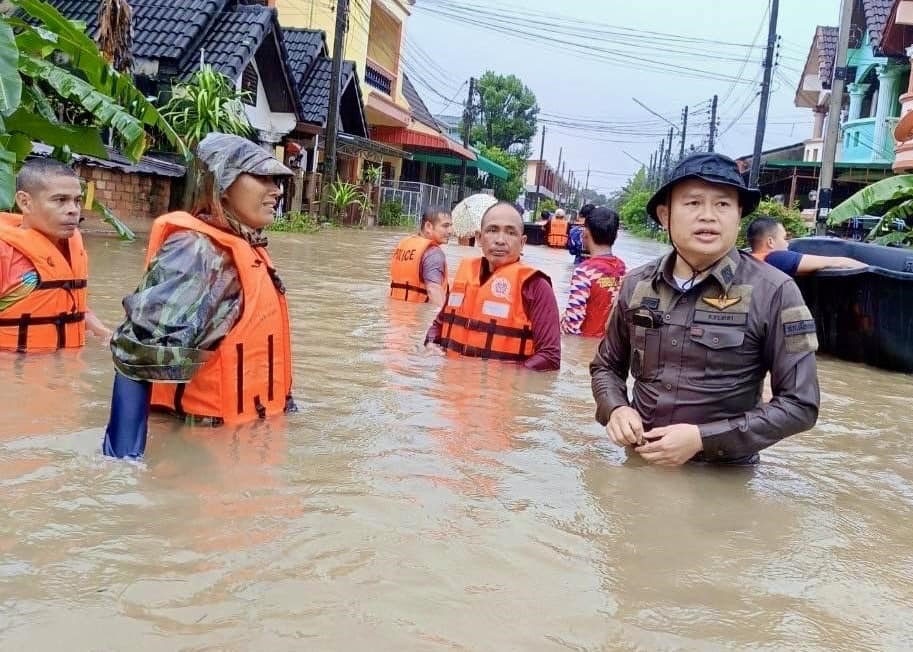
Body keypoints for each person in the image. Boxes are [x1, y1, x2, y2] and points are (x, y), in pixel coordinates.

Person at [590, 152, 820, 466]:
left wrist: (702, 439)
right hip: (639, 467)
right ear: (664, 215)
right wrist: (616, 408)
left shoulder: (776, 292)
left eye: (723, 204)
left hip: (723, 481)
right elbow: (605, 367)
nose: (708, 216)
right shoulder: (636, 285)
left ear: (739, 215)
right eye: (693, 203)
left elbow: (800, 405)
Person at [103, 133, 296, 459]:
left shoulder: (240, 249)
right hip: (198, 451)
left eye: (276, 180)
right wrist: (124, 463)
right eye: (261, 178)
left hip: (240, 444)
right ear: (222, 184)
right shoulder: (198, 253)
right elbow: (138, 357)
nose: (276, 190)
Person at [425, 202, 561, 371]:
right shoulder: (464, 277)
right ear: (479, 238)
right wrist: (431, 344)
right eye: (492, 230)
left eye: (511, 233)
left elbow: (550, 357)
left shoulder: (536, 286)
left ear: (522, 241)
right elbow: (438, 326)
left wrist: (501, 379)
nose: (500, 240)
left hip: (502, 392)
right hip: (452, 389)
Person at [0, 159, 111, 352]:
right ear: (25, 202)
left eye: (77, 201)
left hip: (67, 373)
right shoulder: (4, 253)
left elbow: (73, 306)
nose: (73, 210)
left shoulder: (73, 250)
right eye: (60, 200)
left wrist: (104, 333)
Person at [561, 207, 627, 337]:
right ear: (616, 236)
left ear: (585, 233)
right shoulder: (623, 269)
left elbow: (572, 325)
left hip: (584, 343)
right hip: (609, 347)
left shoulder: (584, 271)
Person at [747, 216, 867, 275]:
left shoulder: (748, 260)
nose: (787, 243)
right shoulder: (775, 259)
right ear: (770, 242)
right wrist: (872, 269)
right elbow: (838, 263)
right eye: (784, 238)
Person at [389, 205, 453, 307]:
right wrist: (446, 317)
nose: (450, 231)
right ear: (428, 226)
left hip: (394, 316)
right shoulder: (434, 253)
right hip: (418, 319)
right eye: (445, 226)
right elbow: (433, 290)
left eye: (451, 226)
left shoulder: (404, 244)